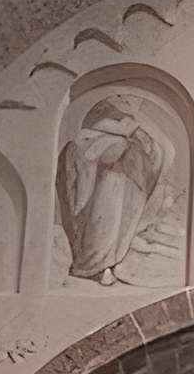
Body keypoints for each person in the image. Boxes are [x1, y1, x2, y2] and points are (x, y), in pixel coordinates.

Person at [56, 96, 167, 283]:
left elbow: (159, 149)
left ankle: (108, 261)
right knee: (104, 217)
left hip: (125, 173)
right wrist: (126, 131)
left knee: (118, 218)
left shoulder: (133, 122)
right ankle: (92, 263)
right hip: (106, 172)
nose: (131, 102)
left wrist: (136, 131)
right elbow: (93, 129)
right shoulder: (106, 107)